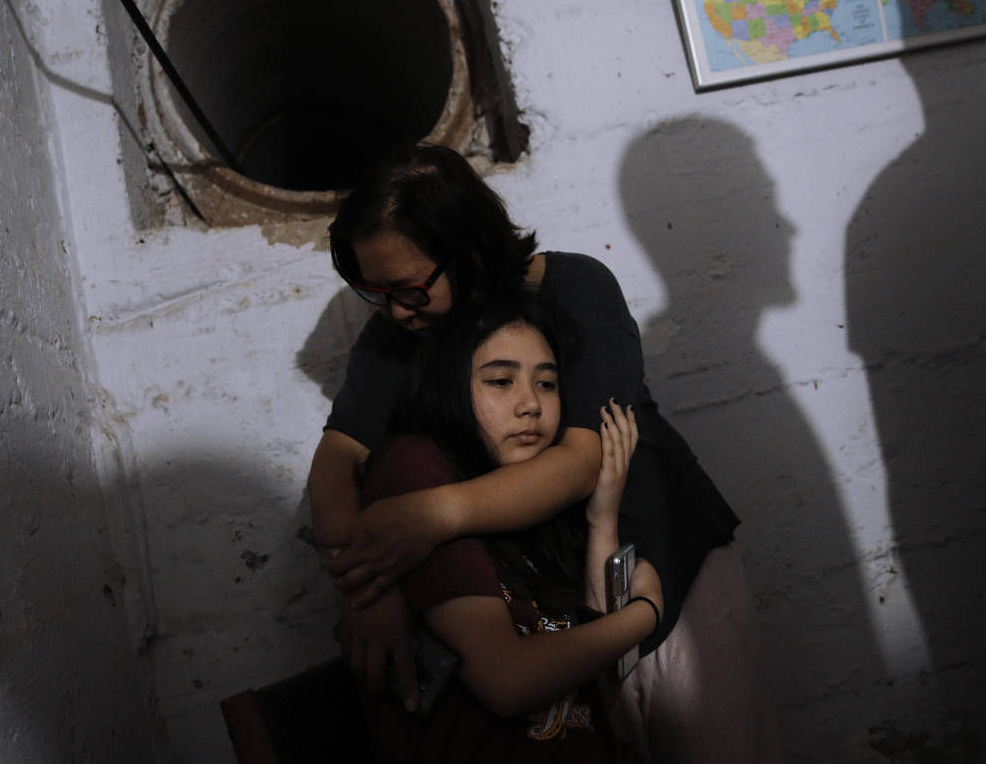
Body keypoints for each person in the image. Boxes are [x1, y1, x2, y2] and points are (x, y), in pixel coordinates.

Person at [308, 143, 779, 762]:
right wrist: (367, 587)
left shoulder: (576, 286)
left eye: (412, 288)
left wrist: (430, 516)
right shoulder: (401, 333)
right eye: (375, 292)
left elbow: (581, 462)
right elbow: (336, 462)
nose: (397, 310)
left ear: (469, 248)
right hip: (555, 600)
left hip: (661, 550)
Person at [360, 295, 656, 760]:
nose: (531, 405)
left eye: (546, 383)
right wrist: (645, 614)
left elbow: (600, 665)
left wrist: (602, 515)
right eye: (501, 381)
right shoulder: (417, 469)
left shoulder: (532, 492)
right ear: (449, 385)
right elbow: (508, 681)